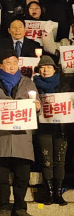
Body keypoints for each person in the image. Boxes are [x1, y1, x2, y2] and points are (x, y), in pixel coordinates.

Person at [0, 54, 41, 216]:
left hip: (22, 136)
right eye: (8, 63)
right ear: (0, 65)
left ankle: (20, 207)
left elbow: (38, 107)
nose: (12, 66)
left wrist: (37, 107)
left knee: (22, 176)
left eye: (15, 63)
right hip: (2, 136)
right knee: (2, 176)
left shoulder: (28, 82)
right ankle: (4, 207)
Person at [33, 56, 67, 206]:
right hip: (43, 127)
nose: (45, 70)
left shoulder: (65, 83)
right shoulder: (33, 85)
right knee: (47, 160)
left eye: (48, 67)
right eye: (42, 67)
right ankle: (49, 192)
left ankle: (58, 193)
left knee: (59, 160)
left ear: (55, 69)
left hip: (61, 128)